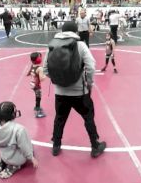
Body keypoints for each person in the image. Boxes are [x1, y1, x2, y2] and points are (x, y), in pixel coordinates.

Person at [43, 22, 106, 158]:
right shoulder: (80, 45)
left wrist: (58, 80)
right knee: (88, 117)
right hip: (79, 93)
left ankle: (56, 146)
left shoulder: (52, 45)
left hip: (60, 93)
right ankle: (95, 146)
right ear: (76, 31)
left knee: (59, 118)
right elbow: (91, 66)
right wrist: (89, 83)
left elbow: (45, 70)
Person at [0, 101, 39, 179]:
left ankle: (0, 162)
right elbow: (25, 147)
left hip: (5, 155)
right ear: (12, 115)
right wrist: (32, 158)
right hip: (17, 159)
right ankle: (14, 166)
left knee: (6, 149)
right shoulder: (19, 130)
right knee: (29, 145)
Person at [26, 52, 46, 118]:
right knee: (38, 97)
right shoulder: (40, 68)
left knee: (37, 96)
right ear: (38, 59)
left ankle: (37, 107)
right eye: (40, 57)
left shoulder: (32, 65)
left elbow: (28, 72)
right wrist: (46, 74)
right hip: (36, 85)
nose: (41, 58)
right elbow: (42, 79)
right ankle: (37, 111)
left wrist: (29, 74)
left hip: (32, 83)